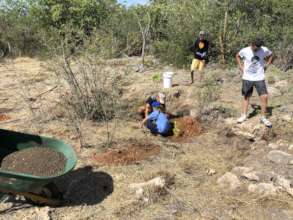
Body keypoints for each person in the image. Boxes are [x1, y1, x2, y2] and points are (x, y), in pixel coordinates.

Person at [236, 37, 273, 127]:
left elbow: (271, 55)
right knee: (246, 96)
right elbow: (237, 56)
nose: (255, 50)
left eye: (257, 49)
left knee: (264, 96)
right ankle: (244, 115)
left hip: (259, 77)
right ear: (251, 44)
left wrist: (267, 65)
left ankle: (263, 117)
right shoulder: (245, 50)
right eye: (254, 48)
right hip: (247, 77)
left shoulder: (264, 49)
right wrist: (241, 66)